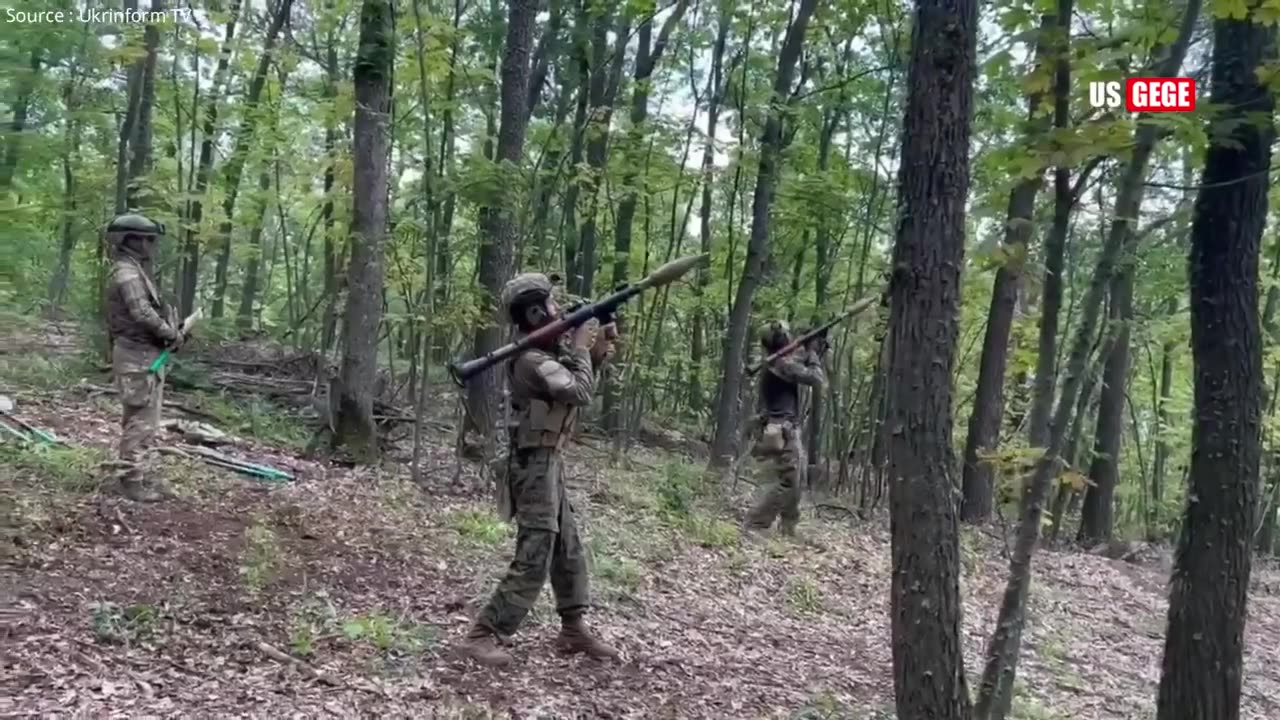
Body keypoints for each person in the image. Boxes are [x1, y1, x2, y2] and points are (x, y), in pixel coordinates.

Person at [456, 272, 619, 667]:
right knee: (536, 551)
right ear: (534, 312)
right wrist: (580, 344)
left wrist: (599, 342)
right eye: (550, 306)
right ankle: (483, 634)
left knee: (568, 547)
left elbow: (581, 376)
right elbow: (578, 392)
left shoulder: (546, 356)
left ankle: (573, 629)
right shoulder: (530, 359)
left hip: (549, 461)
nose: (558, 312)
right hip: (533, 465)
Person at [104, 213, 187, 502]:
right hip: (136, 355)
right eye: (149, 240)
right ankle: (131, 481)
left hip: (145, 353)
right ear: (131, 241)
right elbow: (141, 313)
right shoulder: (127, 274)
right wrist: (170, 334)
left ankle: (142, 475)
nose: (152, 246)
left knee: (147, 418)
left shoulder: (135, 270)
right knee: (140, 418)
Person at [744, 320, 827, 536]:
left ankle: (788, 527)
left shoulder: (777, 362)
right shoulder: (781, 365)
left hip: (783, 427)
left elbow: (796, 362)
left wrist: (809, 346)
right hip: (783, 429)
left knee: (795, 481)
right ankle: (756, 523)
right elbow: (815, 378)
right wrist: (812, 353)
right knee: (789, 482)